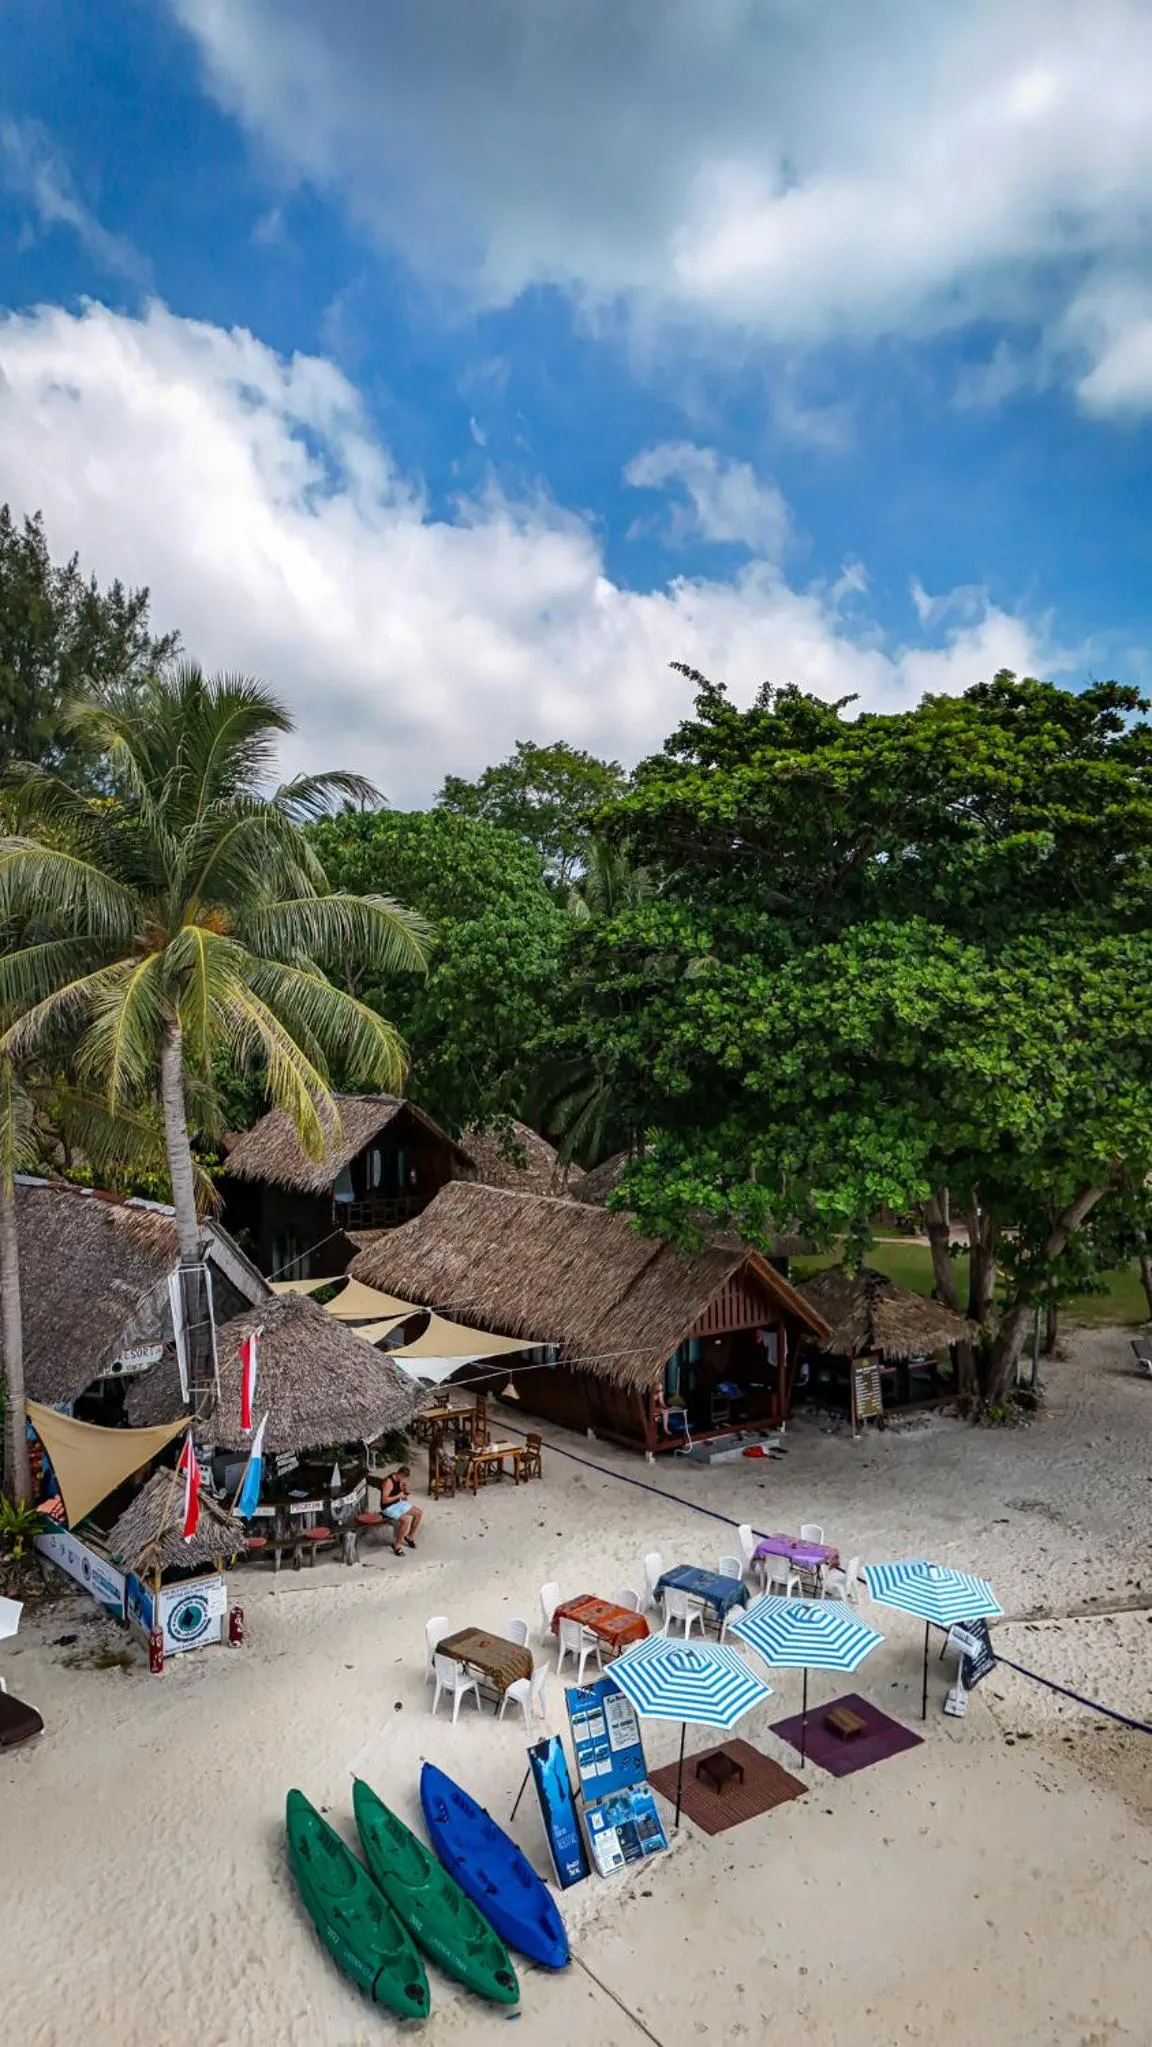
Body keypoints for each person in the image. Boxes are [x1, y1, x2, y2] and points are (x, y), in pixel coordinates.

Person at [378, 1466, 423, 1556]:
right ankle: (397, 1545)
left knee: (419, 1513)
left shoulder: (400, 1480)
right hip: (388, 1507)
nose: (403, 1479)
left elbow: (404, 1498)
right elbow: (384, 1500)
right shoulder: (388, 1482)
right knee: (405, 1520)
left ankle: (409, 1537)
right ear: (399, 1474)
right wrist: (399, 1496)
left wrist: (406, 1490)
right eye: (403, 1477)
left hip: (398, 1503)